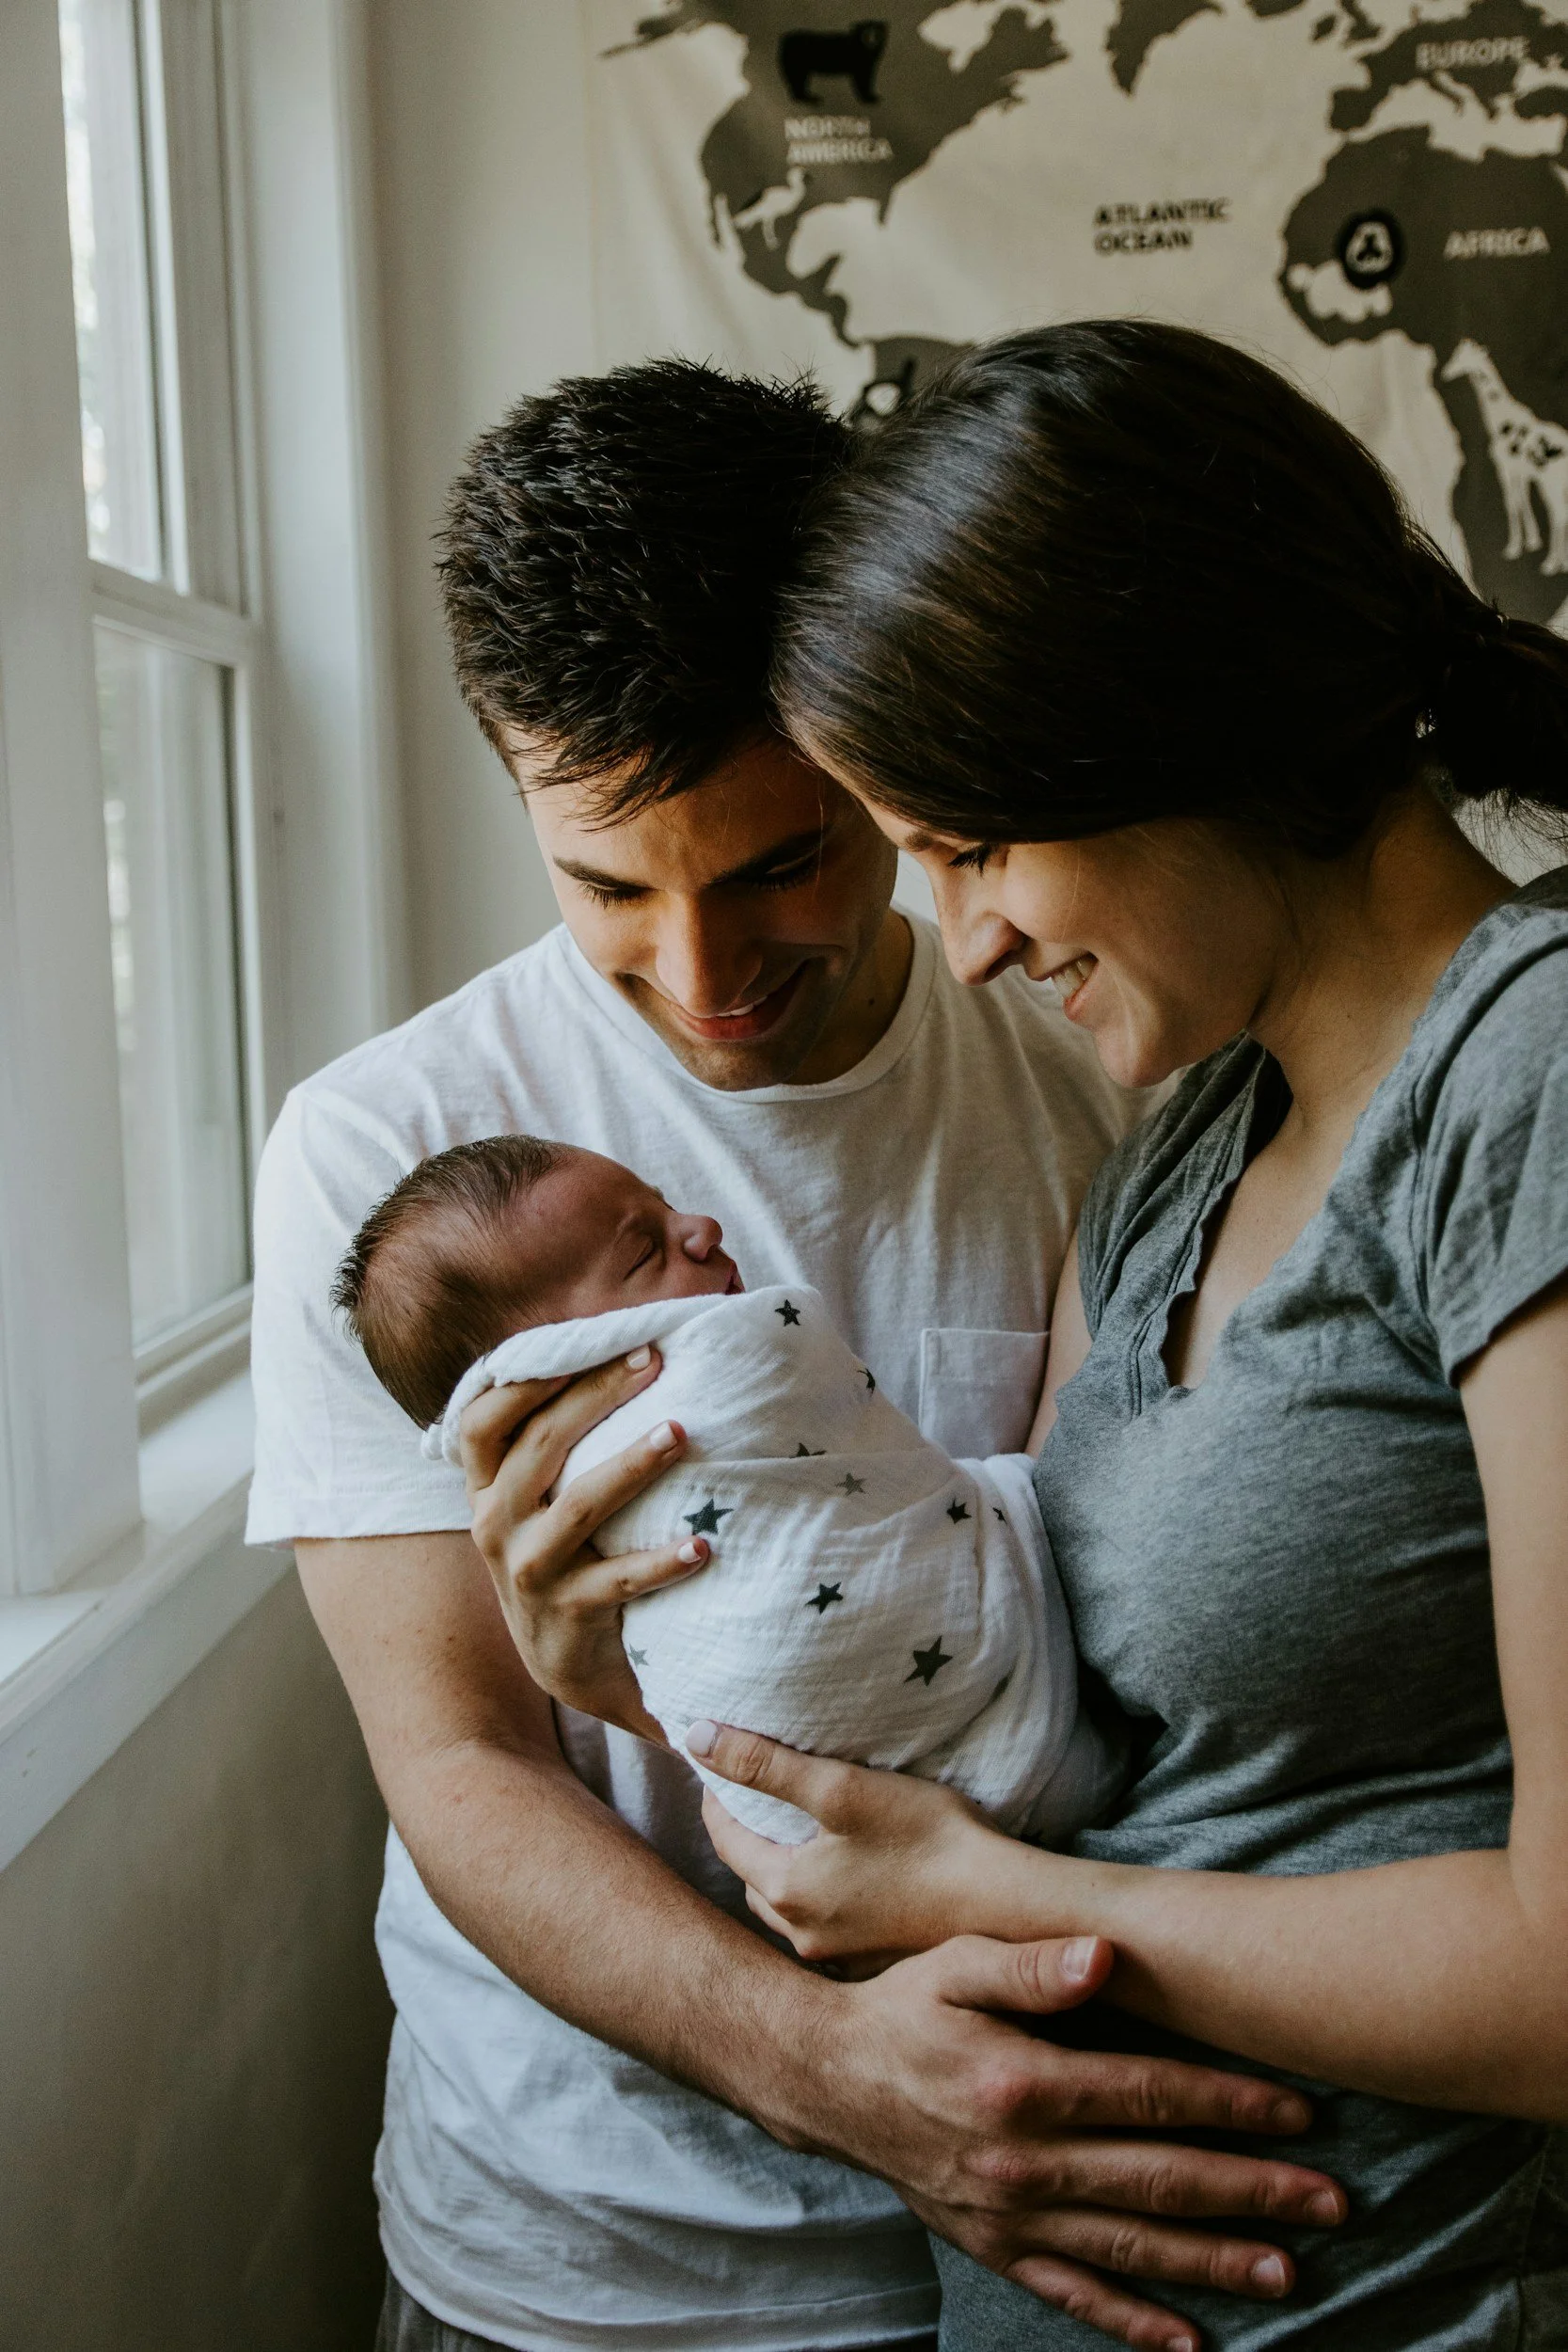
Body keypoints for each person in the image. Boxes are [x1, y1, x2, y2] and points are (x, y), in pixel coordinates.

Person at [246, 358, 1348, 2352]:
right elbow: (461, 1761)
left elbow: (1155, 1639)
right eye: (603, 883)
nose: (698, 972)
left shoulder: (1102, 1070)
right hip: (566, 2254)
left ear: (873, 744)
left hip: (1034, 2223)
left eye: (778, 860)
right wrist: (832, 2070)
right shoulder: (386, 1164)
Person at [602, 320, 1568, 2347]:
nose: (961, 937)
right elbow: (1037, 1728)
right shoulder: (1175, 1146)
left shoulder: (1527, 1070)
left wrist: (1016, 1907)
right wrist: (639, 1659)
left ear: (1165, 729)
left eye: (969, 846)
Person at [334, 1134, 1118, 1848]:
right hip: (760, 1890)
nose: (701, 1226)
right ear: (558, 1359)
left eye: (665, 1204)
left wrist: (606, 1686)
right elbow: (456, 1761)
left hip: (853, 1835)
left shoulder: (1079, 1115)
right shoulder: (356, 1132)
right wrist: (586, 1677)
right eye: (644, 1252)